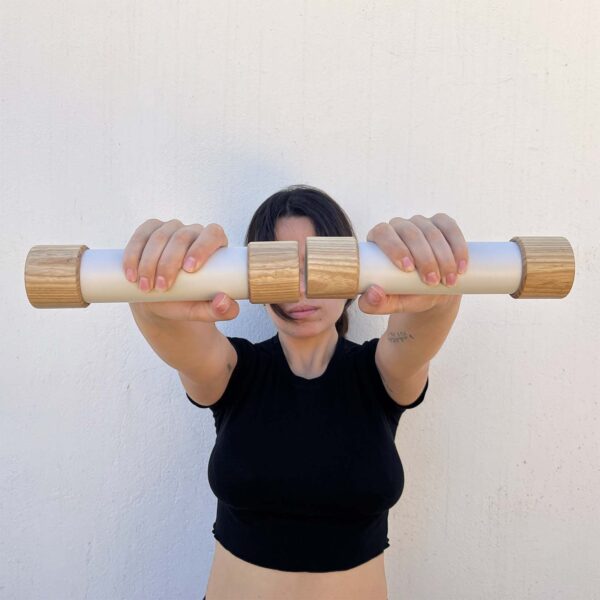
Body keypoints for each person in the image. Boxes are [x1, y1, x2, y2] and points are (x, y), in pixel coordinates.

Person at [123, 184, 467, 600]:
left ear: (354, 271)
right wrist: (149, 289)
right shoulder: (233, 371)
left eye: (319, 264)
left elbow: (424, 323)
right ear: (253, 276)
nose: (302, 288)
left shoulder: (380, 373)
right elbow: (171, 331)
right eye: (282, 266)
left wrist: (439, 283)